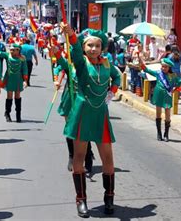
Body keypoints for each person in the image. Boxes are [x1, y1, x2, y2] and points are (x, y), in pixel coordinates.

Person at [55, 26, 120, 218]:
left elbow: (116, 76)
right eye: (90, 45)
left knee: (108, 159)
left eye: (97, 46)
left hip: (101, 115)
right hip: (83, 114)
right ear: (84, 47)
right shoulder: (81, 63)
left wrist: (112, 91)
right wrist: (72, 35)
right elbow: (74, 49)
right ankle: (81, 199)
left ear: (102, 48)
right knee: (79, 157)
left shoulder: (107, 64)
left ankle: (109, 198)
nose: (93, 49)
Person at [53, 52, 94, 176]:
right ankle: (72, 156)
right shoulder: (69, 64)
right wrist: (57, 80)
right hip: (69, 98)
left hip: (83, 100)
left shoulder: (90, 65)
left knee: (84, 129)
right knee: (70, 128)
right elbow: (59, 67)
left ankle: (88, 156)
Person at [139, 57, 181, 141]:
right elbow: (147, 70)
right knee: (158, 114)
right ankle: (159, 133)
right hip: (158, 95)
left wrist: (175, 89)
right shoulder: (158, 73)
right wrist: (141, 62)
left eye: (165, 67)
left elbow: (179, 83)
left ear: (169, 67)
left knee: (167, 114)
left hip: (167, 96)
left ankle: (166, 134)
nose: (163, 68)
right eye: (162, 66)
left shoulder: (173, 75)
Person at [0, 44, 28, 123]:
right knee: (9, 96)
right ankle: (7, 113)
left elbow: (25, 69)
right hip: (9, 79)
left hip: (18, 79)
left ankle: (18, 115)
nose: (11, 51)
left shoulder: (22, 59)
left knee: (17, 96)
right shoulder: (8, 56)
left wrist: (25, 80)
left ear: (18, 50)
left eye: (13, 50)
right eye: (11, 49)